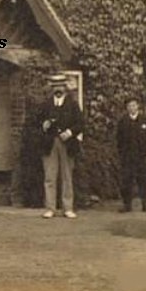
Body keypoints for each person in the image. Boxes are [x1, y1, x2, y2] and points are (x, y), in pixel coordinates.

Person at [35, 73, 84, 219]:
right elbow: (35, 123)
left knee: (67, 176)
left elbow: (81, 123)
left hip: (67, 144)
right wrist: (43, 126)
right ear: (52, 88)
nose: (58, 89)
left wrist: (70, 132)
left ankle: (67, 207)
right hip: (49, 144)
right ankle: (50, 208)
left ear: (65, 87)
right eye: (55, 86)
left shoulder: (73, 105)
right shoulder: (45, 105)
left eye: (60, 86)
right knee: (50, 176)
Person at [116, 96, 146, 213]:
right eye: (129, 106)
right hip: (127, 156)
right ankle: (127, 204)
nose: (132, 108)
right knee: (126, 180)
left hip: (141, 156)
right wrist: (121, 154)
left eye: (134, 105)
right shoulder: (123, 121)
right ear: (126, 108)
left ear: (138, 106)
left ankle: (145, 204)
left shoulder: (144, 121)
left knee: (144, 180)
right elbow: (119, 139)